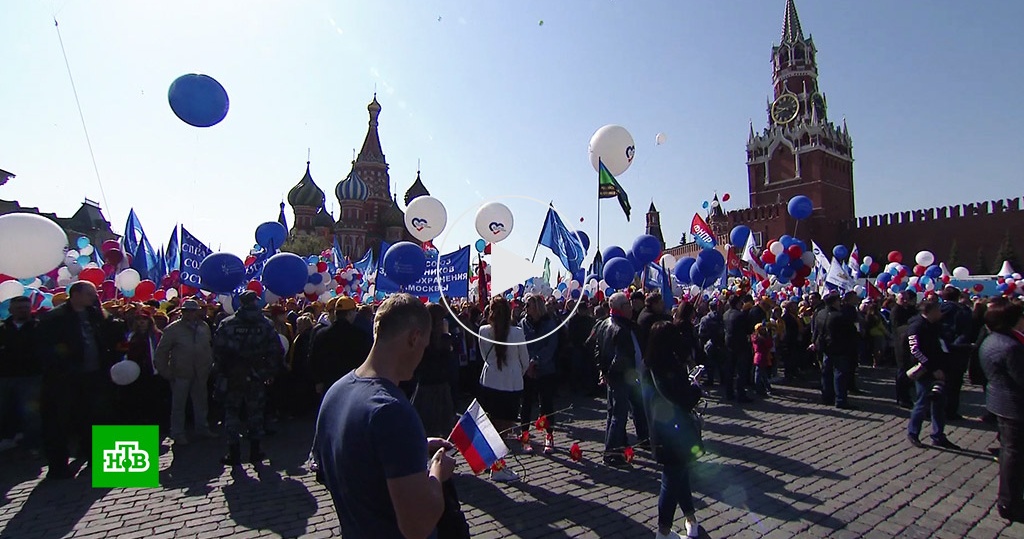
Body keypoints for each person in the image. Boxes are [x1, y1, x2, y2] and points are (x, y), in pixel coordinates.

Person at [313, 293, 458, 539]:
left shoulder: (335, 392)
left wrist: (407, 451)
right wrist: (437, 473)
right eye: (423, 346)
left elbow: (340, 466)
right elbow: (418, 526)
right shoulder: (393, 411)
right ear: (414, 338)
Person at [35, 281, 124, 479]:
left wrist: (103, 311)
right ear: (76, 294)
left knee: (95, 418)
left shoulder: (96, 315)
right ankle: (58, 467)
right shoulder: (55, 318)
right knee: (60, 423)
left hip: (94, 376)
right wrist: (64, 366)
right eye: (90, 294)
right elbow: (46, 349)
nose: (94, 297)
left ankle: (96, 458)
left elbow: (115, 331)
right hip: (65, 379)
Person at [643, 321, 703, 539]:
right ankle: (663, 531)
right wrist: (695, 388)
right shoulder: (665, 367)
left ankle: (691, 519)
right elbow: (681, 399)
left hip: (662, 428)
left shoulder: (650, 363)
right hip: (672, 431)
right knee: (671, 479)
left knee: (680, 475)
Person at [212, 291, 284, 466]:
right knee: (255, 413)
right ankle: (255, 450)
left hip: (233, 375)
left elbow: (217, 351)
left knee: (231, 413)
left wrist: (223, 371)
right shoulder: (265, 325)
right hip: (256, 375)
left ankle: (233, 451)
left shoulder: (227, 324)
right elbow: (276, 350)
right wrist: (268, 372)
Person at [587, 292, 649, 466]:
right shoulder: (620, 328)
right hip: (623, 377)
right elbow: (621, 357)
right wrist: (609, 372)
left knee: (615, 412)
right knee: (618, 415)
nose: (631, 307)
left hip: (615, 376)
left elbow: (597, 349)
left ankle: (622, 444)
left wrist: (604, 371)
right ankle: (612, 453)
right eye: (628, 305)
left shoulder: (607, 324)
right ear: (621, 308)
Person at [978, 297, 1024, 524]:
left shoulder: (994, 339)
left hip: (1002, 402)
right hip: (1013, 405)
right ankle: (1010, 502)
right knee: (1013, 455)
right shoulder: (1010, 346)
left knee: (1011, 452)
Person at [477, 296, 531, 482]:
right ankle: (497, 467)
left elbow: (484, 356)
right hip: (510, 384)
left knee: (490, 426)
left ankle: (491, 461)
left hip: (489, 382)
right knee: (503, 429)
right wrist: (516, 372)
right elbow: (524, 360)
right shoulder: (516, 332)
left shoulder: (483, 331)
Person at [154, 299, 215, 445]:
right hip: (180, 372)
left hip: (200, 371)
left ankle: (202, 428)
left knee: (201, 403)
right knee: (178, 405)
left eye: (193, 311)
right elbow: (161, 352)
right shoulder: (173, 329)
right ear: (182, 312)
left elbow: (208, 347)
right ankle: (177, 433)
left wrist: (208, 365)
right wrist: (165, 371)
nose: (190, 314)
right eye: (186, 311)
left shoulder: (203, 327)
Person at [906, 300, 960, 450]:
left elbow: (941, 345)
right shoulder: (916, 326)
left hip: (941, 369)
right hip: (926, 371)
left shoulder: (936, 326)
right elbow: (915, 350)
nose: (941, 313)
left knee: (939, 403)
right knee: (922, 403)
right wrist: (931, 367)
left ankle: (938, 435)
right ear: (930, 312)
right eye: (938, 310)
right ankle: (913, 433)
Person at [0, 296, 42, 453]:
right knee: (4, 409)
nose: (22, 311)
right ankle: (7, 438)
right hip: (5, 376)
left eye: (25, 307)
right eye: (18, 308)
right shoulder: (3, 328)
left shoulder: (39, 327)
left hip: (31, 376)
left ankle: (32, 444)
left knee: (31, 413)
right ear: (10, 310)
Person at [309, 297, 372, 398]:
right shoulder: (359, 336)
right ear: (350, 313)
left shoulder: (321, 334)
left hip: (327, 385)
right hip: (351, 385)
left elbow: (313, 358)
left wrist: (318, 380)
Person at [520, 294, 559, 454]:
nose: (525, 308)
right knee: (526, 404)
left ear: (537, 306)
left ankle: (549, 436)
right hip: (527, 370)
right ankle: (525, 436)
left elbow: (551, 345)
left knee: (546, 404)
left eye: (528, 305)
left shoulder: (549, 323)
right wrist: (528, 362)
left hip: (545, 369)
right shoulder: (523, 323)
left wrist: (537, 361)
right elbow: (521, 344)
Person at [411, 303, 457, 438]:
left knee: (425, 429)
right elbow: (450, 363)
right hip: (439, 387)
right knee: (442, 430)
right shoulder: (444, 340)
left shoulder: (420, 337)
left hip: (424, 386)